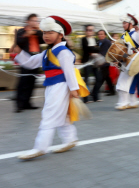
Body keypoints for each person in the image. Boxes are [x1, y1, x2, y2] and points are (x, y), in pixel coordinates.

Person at [13, 16, 89, 160]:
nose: (46, 36)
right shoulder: (47, 52)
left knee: (49, 115)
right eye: (45, 32)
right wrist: (18, 51)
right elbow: (30, 63)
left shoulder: (63, 52)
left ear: (60, 35)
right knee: (63, 115)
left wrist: (74, 90)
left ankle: (40, 147)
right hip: (53, 86)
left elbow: (69, 71)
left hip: (60, 86)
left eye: (50, 32)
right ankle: (70, 139)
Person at [115, 13, 139, 110]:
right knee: (129, 82)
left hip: (132, 61)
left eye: (125, 23)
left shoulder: (135, 33)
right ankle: (132, 102)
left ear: (130, 24)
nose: (123, 25)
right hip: (126, 60)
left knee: (122, 82)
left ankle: (124, 102)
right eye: (123, 23)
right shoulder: (124, 35)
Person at [13, 13, 44, 113]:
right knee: (23, 82)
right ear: (28, 21)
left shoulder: (38, 32)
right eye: (34, 20)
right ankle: (19, 104)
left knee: (32, 82)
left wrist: (35, 30)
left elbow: (43, 38)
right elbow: (18, 42)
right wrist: (27, 34)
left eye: (37, 21)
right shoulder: (21, 31)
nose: (36, 22)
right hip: (25, 59)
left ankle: (27, 103)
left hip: (35, 59)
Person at [89, 30, 115, 100]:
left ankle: (94, 92)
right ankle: (112, 91)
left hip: (104, 62)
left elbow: (106, 52)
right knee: (106, 77)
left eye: (102, 34)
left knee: (101, 78)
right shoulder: (99, 42)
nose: (100, 35)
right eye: (99, 34)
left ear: (105, 35)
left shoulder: (106, 42)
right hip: (102, 62)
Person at [81, 25, 99, 103]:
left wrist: (93, 49)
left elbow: (98, 49)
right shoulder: (83, 39)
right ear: (86, 31)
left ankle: (95, 96)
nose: (89, 31)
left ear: (93, 31)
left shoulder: (95, 39)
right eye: (88, 30)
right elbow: (86, 48)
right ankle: (85, 98)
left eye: (91, 30)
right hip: (87, 61)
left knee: (99, 78)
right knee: (87, 79)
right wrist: (94, 48)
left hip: (95, 61)